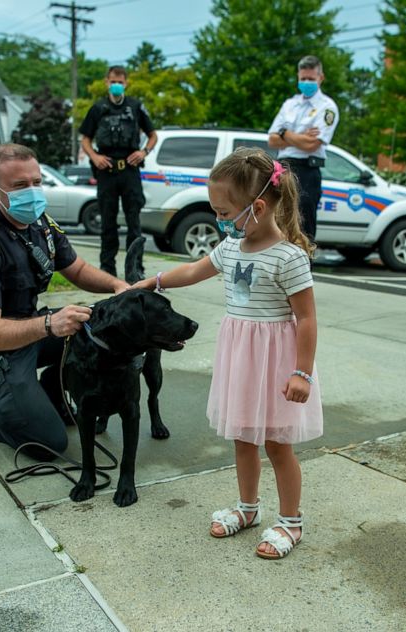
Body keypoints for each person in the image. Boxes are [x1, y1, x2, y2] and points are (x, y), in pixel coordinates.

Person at [133, 148, 323, 559]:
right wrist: (152, 282)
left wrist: (302, 373)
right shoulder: (230, 247)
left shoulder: (288, 258)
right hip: (241, 358)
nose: (218, 219)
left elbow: (306, 319)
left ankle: (291, 521)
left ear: (257, 207)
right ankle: (248, 508)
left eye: (223, 212)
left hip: (276, 364)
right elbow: (192, 271)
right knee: (241, 437)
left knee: (276, 444)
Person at [0, 143, 128, 457]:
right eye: (20, 186)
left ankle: (53, 394)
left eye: (37, 183)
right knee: (48, 444)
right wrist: (52, 324)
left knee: (102, 329)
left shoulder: (40, 225)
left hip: (29, 328)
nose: (33, 192)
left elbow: (77, 269)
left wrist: (119, 286)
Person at [79, 65, 157, 277]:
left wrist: (144, 152)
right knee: (107, 222)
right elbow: (85, 139)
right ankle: (107, 269)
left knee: (134, 223)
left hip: (130, 170)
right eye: (113, 81)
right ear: (107, 82)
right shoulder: (98, 108)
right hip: (106, 170)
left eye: (120, 82)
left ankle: (135, 269)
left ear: (126, 83)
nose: (116, 85)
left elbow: (153, 135)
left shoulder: (135, 106)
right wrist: (94, 157)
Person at [268, 55, 339, 243]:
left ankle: (302, 270)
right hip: (282, 169)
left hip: (307, 171)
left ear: (321, 78)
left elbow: (312, 144)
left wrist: (285, 133)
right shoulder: (290, 104)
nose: (306, 82)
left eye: (311, 79)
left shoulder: (327, 108)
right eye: (303, 79)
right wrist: (298, 136)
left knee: (303, 228)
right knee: (277, 221)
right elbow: (272, 140)